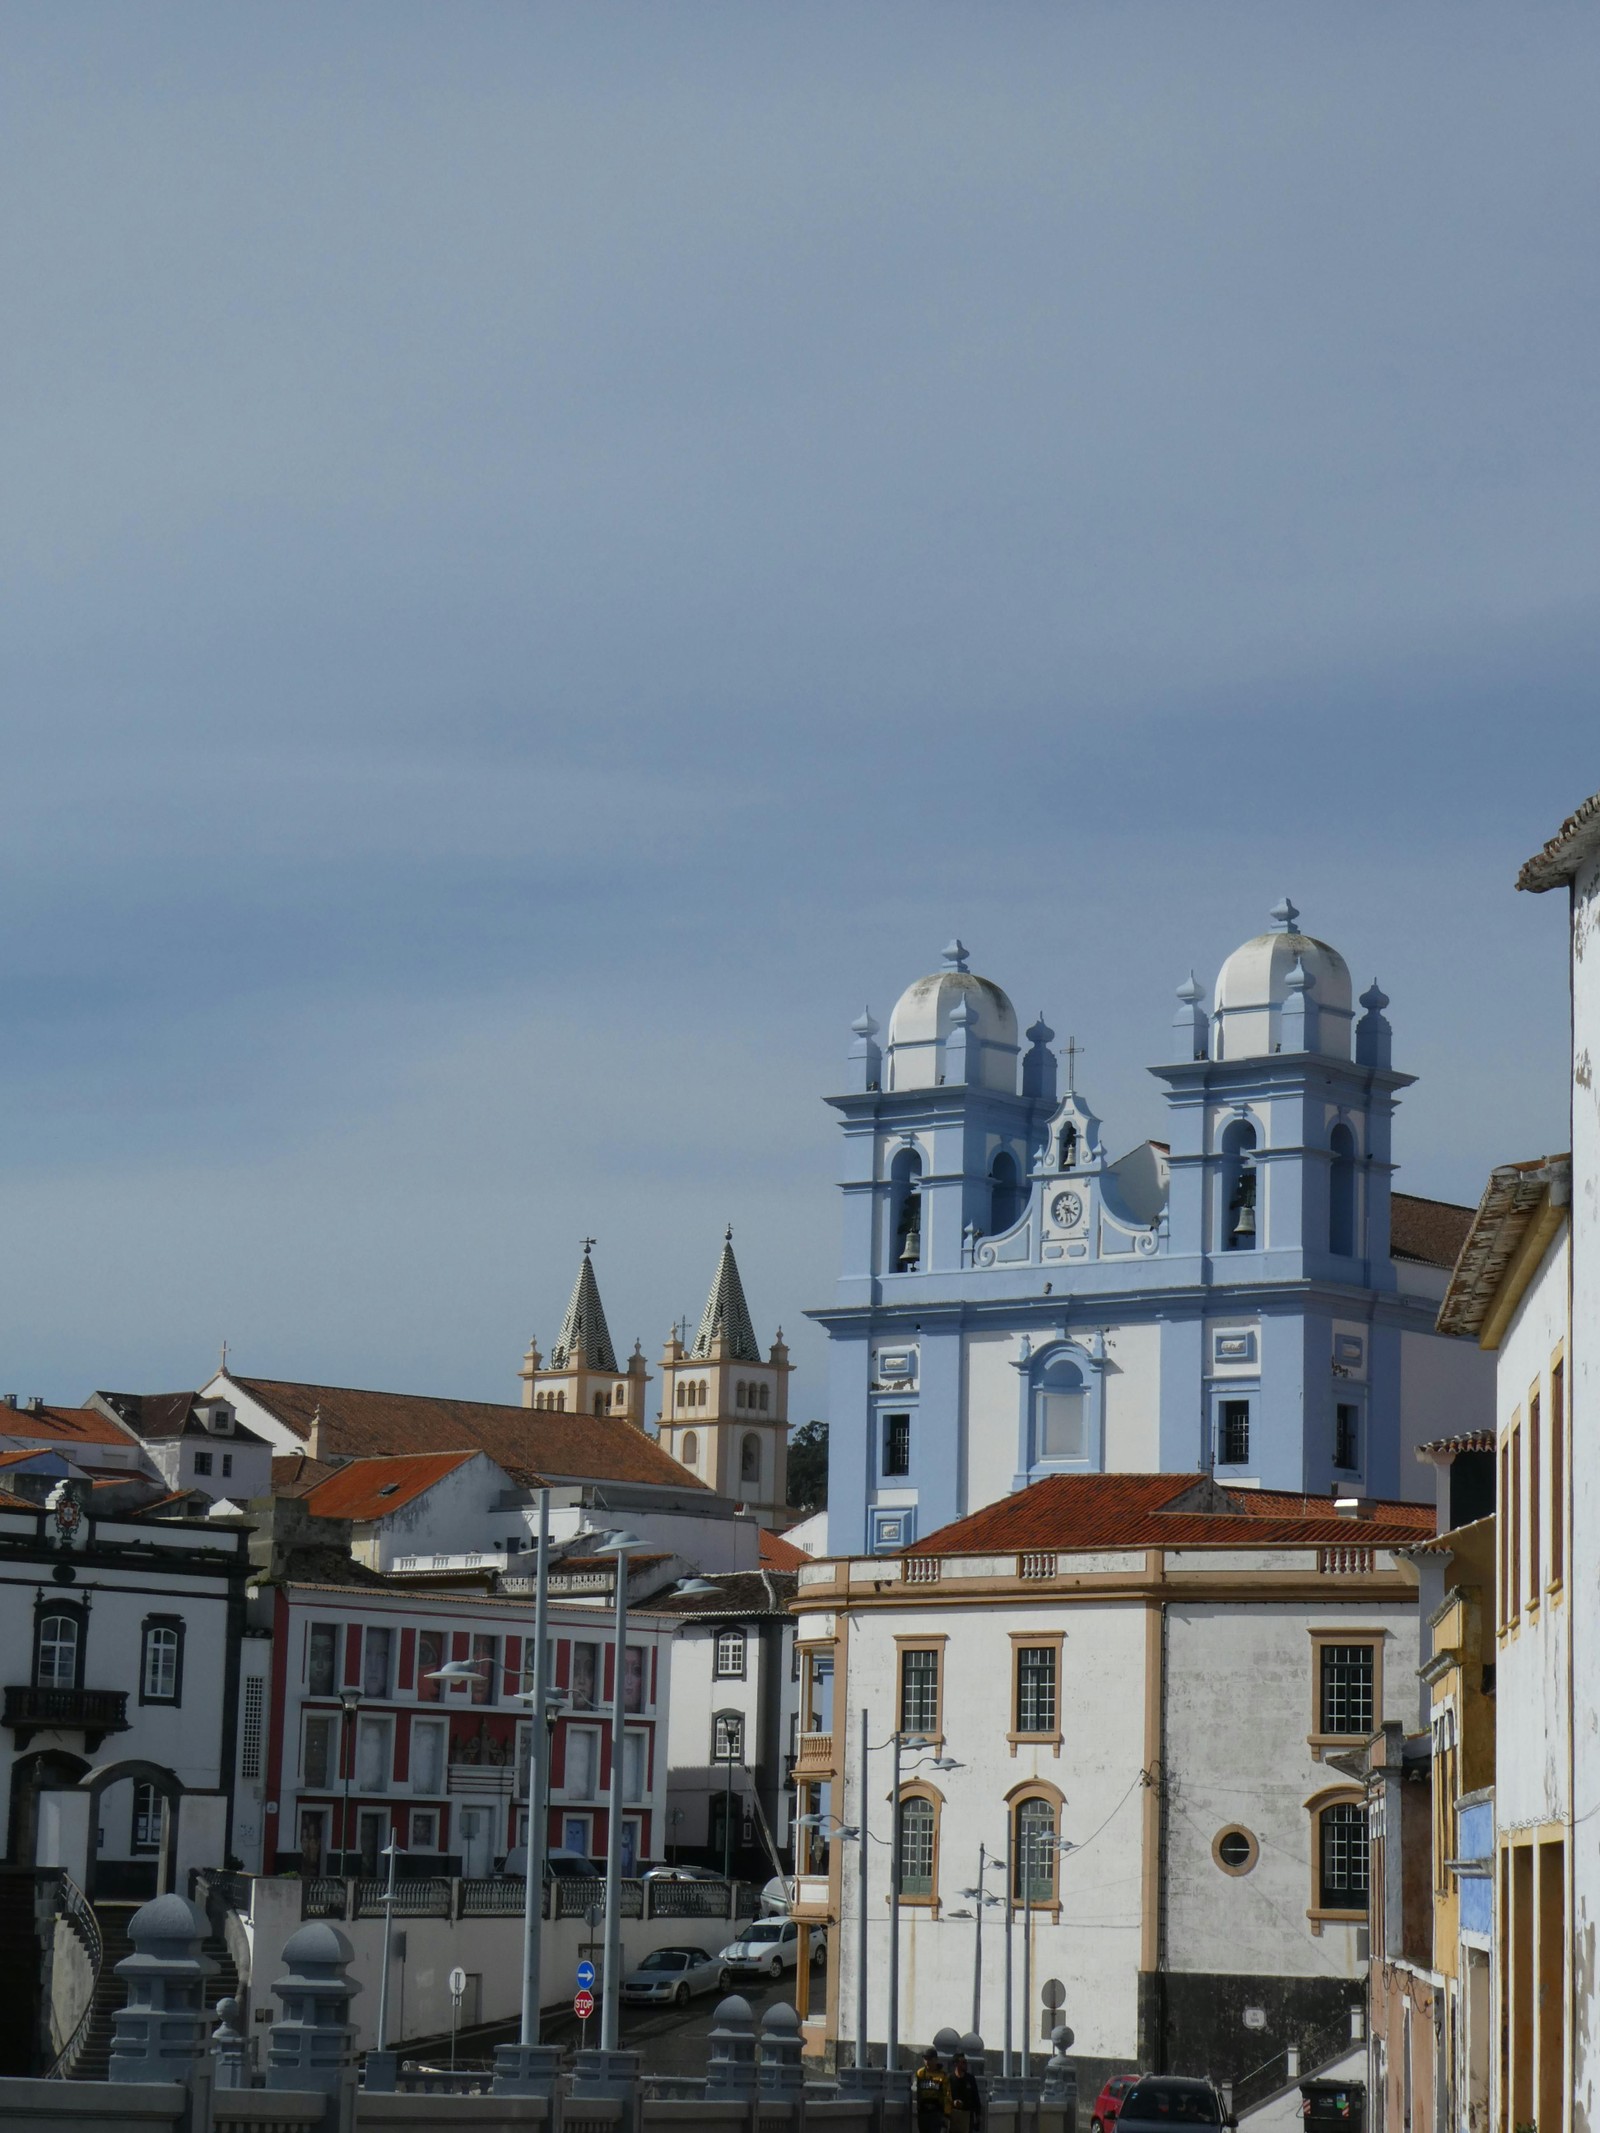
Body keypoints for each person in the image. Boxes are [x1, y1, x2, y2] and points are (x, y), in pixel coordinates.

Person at [914, 2047, 953, 2133]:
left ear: (936, 2060)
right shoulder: (920, 2073)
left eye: (930, 2059)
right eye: (925, 2059)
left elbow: (947, 2095)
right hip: (923, 2113)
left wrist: (947, 2114)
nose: (927, 2061)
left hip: (936, 2113)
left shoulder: (942, 2076)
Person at [950, 2052, 982, 2133]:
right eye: (963, 2062)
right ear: (956, 2064)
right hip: (953, 2115)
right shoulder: (949, 2079)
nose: (965, 2064)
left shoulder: (970, 2079)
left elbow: (976, 2098)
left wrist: (978, 2116)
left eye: (966, 2062)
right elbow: (944, 2097)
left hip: (968, 2115)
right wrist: (953, 2102)